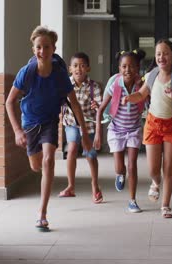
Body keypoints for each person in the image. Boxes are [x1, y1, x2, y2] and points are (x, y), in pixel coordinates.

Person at [5, 26, 91, 229]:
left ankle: (42, 213)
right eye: (38, 47)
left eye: (46, 47)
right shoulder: (26, 73)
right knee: (36, 166)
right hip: (30, 123)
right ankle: (42, 200)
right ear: (33, 49)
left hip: (50, 121)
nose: (42, 51)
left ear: (53, 49)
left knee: (48, 160)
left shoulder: (60, 74)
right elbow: (9, 102)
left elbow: (75, 104)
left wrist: (84, 134)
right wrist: (17, 131)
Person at [122, 39, 172, 218]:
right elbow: (142, 94)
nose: (161, 57)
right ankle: (155, 183)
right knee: (153, 170)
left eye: (165, 53)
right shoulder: (151, 75)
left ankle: (165, 205)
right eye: (158, 54)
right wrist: (129, 98)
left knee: (169, 168)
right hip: (153, 124)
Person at [94, 49, 146, 213]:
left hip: (134, 130)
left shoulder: (141, 86)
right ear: (119, 68)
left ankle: (132, 201)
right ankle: (120, 174)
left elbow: (149, 104)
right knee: (120, 167)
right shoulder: (115, 85)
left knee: (132, 165)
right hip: (116, 130)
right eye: (124, 66)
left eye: (131, 66)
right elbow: (101, 109)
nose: (127, 70)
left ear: (137, 68)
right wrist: (97, 133)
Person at [58, 52, 103, 204]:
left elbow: (100, 108)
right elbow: (60, 101)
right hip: (71, 123)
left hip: (89, 126)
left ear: (88, 68)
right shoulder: (65, 85)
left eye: (83, 65)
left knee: (90, 155)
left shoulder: (94, 87)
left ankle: (95, 185)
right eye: (75, 66)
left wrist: (97, 106)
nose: (79, 69)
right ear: (70, 69)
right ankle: (70, 186)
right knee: (71, 149)